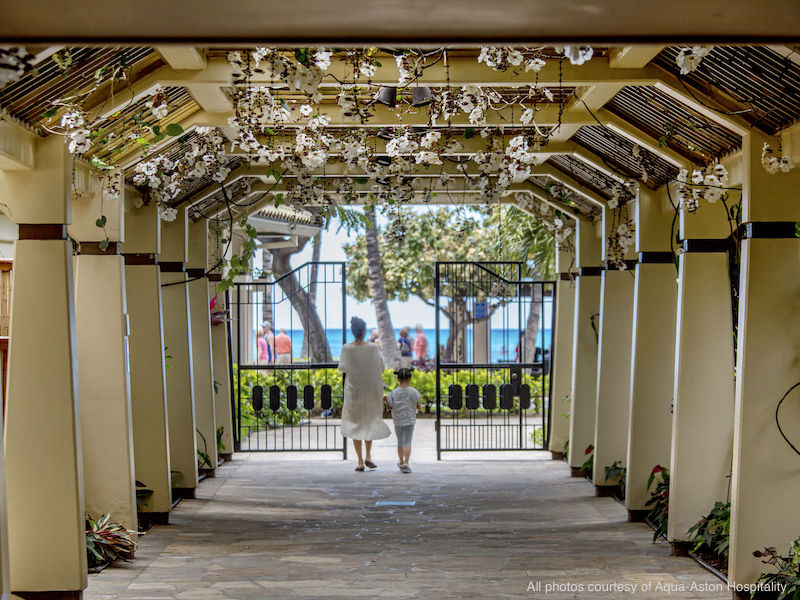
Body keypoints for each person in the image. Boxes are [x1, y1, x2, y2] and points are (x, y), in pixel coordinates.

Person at [338, 317, 391, 471]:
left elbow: (342, 368)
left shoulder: (346, 348)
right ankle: (368, 456)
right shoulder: (373, 348)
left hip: (354, 390)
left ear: (353, 331)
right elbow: (382, 367)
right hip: (371, 391)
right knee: (369, 421)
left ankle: (360, 461)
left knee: (355, 423)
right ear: (364, 331)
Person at [385, 367, 421, 473]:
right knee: (408, 442)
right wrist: (417, 409)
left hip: (398, 421)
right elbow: (419, 405)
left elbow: (389, 407)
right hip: (410, 420)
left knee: (400, 442)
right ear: (410, 379)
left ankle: (401, 461)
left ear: (398, 380)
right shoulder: (414, 392)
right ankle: (406, 462)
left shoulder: (393, 393)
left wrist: (386, 401)